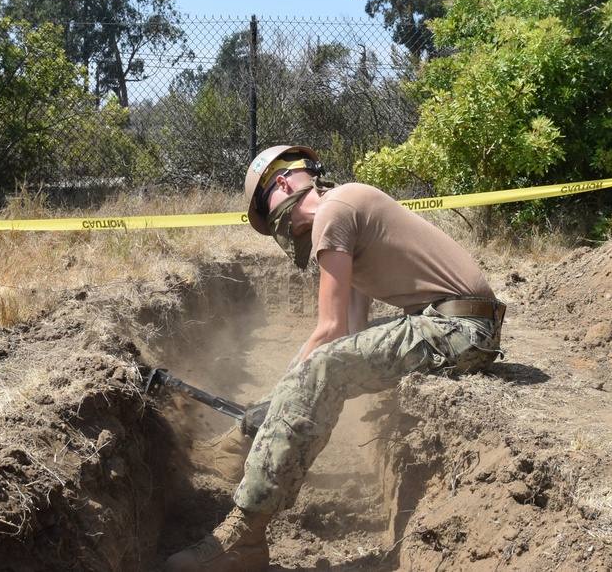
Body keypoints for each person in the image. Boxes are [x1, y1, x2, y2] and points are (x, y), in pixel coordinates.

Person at [166, 145, 506, 572]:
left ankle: (243, 536)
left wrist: (282, 397)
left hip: (458, 331)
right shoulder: (350, 211)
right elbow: (351, 330)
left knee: (320, 369)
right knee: (320, 368)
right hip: (457, 326)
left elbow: (327, 334)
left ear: (284, 184)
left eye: (264, 207)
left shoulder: (333, 212)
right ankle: (239, 448)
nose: (275, 225)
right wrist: (286, 399)